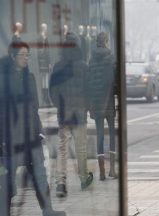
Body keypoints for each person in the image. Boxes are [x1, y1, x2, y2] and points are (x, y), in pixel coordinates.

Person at [0, 41, 65, 216]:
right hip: (10, 138)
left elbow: (33, 107)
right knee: (6, 178)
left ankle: (48, 211)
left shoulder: (29, 78)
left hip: (30, 137)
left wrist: (39, 131)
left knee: (40, 173)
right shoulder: (1, 80)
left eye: (27, 55)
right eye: (22, 55)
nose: (26, 58)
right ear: (13, 57)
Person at [49, 32, 93, 197]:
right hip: (79, 113)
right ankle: (83, 178)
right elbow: (89, 91)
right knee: (81, 148)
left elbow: (53, 91)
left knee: (62, 148)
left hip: (64, 113)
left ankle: (61, 183)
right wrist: (86, 107)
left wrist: (59, 105)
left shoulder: (58, 66)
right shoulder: (83, 66)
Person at [89, 32, 118, 181]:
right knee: (112, 133)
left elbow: (88, 83)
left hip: (96, 102)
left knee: (100, 134)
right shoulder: (111, 58)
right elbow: (115, 81)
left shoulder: (91, 60)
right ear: (106, 42)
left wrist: (90, 104)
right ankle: (112, 169)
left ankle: (101, 172)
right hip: (109, 102)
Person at [37, 23, 52, 106]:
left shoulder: (42, 38)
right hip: (44, 61)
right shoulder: (42, 38)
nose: (46, 29)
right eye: (45, 28)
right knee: (44, 79)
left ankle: (45, 97)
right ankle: (45, 97)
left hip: (43, 61)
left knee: (44, 79)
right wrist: (49, 62)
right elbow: (45, 51)